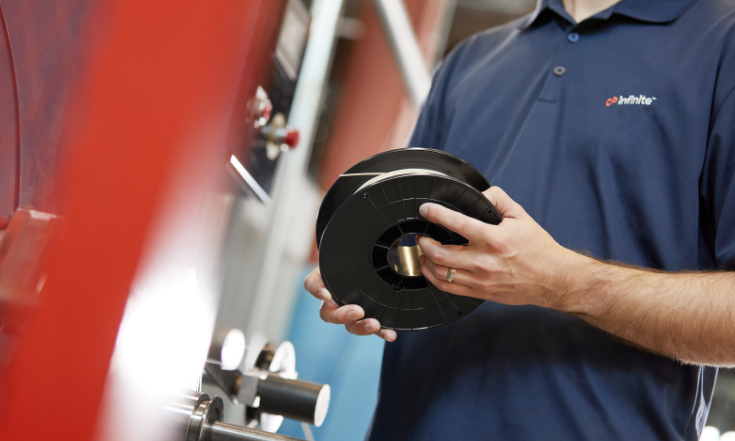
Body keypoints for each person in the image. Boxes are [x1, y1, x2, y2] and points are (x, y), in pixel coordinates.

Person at [304, 0, 735, 438]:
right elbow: (413, 247)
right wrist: (367, 281)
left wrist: (566, 282)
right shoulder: (471, 61)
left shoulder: (723, 42)